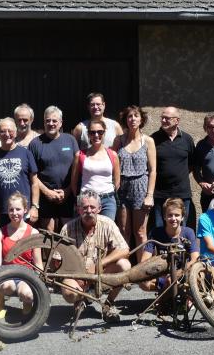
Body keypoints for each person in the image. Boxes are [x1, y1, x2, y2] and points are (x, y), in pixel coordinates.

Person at [60, 191, 131, 322]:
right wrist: (75, 275)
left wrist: (100, 263)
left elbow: (124, 249)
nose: (89, 210)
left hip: (101, 272)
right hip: (77, 275)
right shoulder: (67, 228)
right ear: (78, 209)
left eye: (92, 207)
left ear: (99, 209)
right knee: (69, 293)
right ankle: (79, 300)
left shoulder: (108, 224)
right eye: (84, 207)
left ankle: (108, 303)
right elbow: (57, 260)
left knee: (125, 265)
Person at [0, 192, 43, 317]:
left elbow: (38, 263)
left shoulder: (33, 233)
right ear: (7, 211)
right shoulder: (0, 232)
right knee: (6, 286)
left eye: (18, 209)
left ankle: (27, 305)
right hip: (8, 273)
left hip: (26, 274)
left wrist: (41, 286)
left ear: (25, 210)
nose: (14, 213)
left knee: (27, 294)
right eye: (11, 210)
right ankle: (1, 305)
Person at [28, 105, 79, 232]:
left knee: (69, 231)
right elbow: (32, 174)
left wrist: (67, 191)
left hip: (68, 196)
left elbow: (77, 169)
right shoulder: (35, 144)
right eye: (48, 120)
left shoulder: (70, 140)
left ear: (61, 123)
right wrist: (47, 192)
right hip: (45, 198)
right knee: (48, 232)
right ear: (44, 122)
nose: (51, 123)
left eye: (54, 121)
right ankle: (50, 254)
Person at [113, 105, 156, 251]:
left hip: (140, 187)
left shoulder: (148, 141)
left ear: (141, 119)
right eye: (129, 116)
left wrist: (149, 195)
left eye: (136, 116)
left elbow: (153, 170)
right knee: (123, 231)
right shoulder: (119, 141)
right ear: (125, 120)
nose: (132, 119)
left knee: (140, 232)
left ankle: (142, 271)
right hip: (122, 188)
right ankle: (125, 269)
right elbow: (113, 165)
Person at [0, 118, 40, 228]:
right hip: (0, 213)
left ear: (16, 132)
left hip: (23, 212)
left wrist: (35, 207)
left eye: (10, 131)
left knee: (25, 244)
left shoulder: (26, 154)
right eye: (3, 131)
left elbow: (35, 183)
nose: (7, 134)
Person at [151, 106, 196, 227]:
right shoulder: (153, 139)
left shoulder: (187, 139)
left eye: (167, 118)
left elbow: (192, 163)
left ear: (177, 120)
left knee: (181, 227)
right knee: (160, 228)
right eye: (162, 118)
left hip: (182, 193)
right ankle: (162, 247)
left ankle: (179, 247)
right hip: (160, 194)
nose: (164, 121)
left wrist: (178, 175)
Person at [140, 198, 198, 291]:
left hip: (183, 273)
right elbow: (145, 259)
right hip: (163, 272)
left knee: (199, 276)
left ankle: (183, 293)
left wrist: (178, 274)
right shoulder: (155, 232)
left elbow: (195, 258)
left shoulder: (188, 232)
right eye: (170, 215)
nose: (173, 218)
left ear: (182, 217)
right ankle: (165, 290)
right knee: (143, 283)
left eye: (177, 215)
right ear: (164, 217)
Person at [70, 119, 121, 221]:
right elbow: (74, 182)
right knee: (85, 233)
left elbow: (117, 180)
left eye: (100, 132)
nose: (96, 135)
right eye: (92, 132)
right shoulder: (80, 155)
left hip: (107, 201)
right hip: (86, 200)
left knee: (106, 232)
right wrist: (78, 200)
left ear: (104, 133)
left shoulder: (113, 155)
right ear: (88, 134)